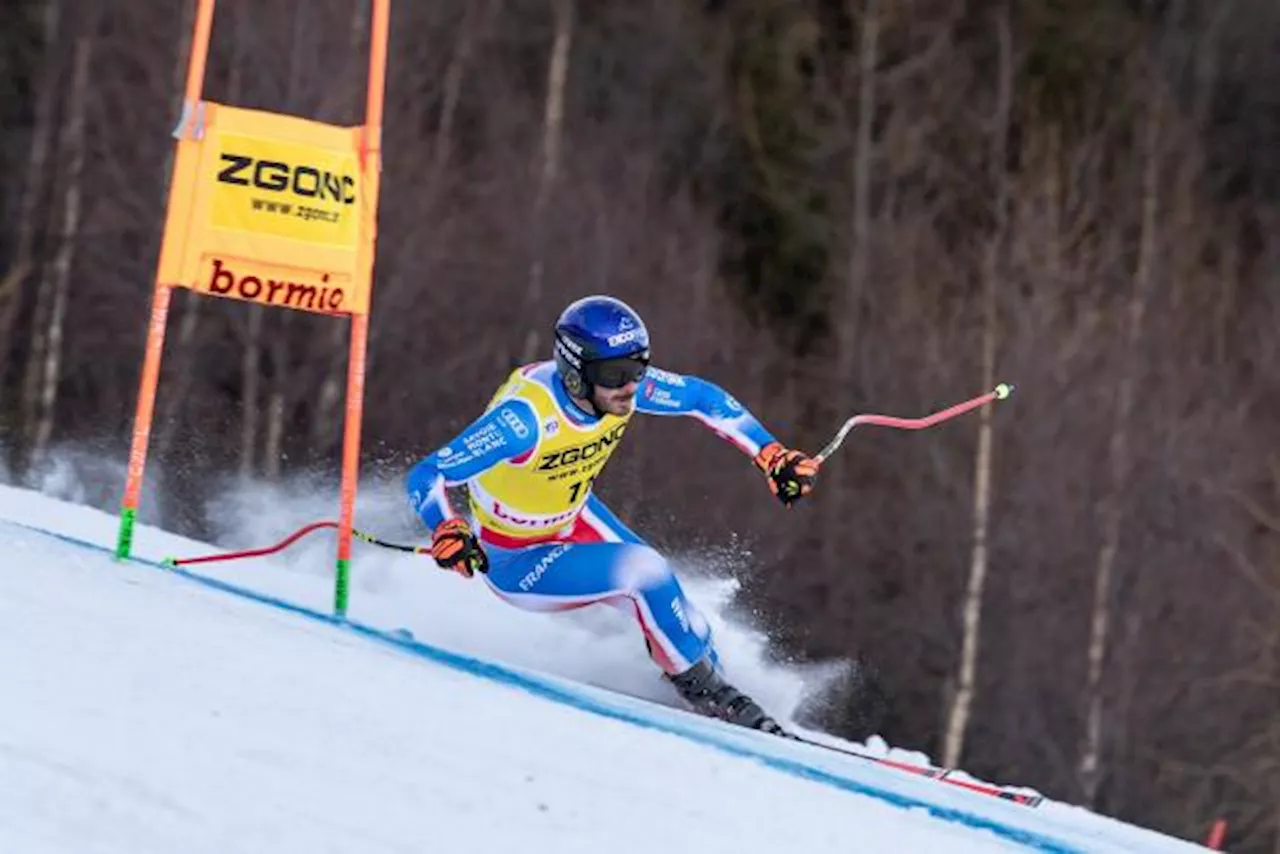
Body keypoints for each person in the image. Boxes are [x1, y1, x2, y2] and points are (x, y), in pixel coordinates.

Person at [406, 295, 819, 733]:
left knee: (687, 622)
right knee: (645, 573)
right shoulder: (523, 421)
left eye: (639, 368)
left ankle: (713, 695)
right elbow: (428, 474)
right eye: (616, 374)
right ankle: (713, 698)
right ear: (576, 373)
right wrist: (447, 527)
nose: (631, 386)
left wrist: (772, 453)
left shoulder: (624, 389)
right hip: (515, 557)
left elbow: (702, 398)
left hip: (573, 517)